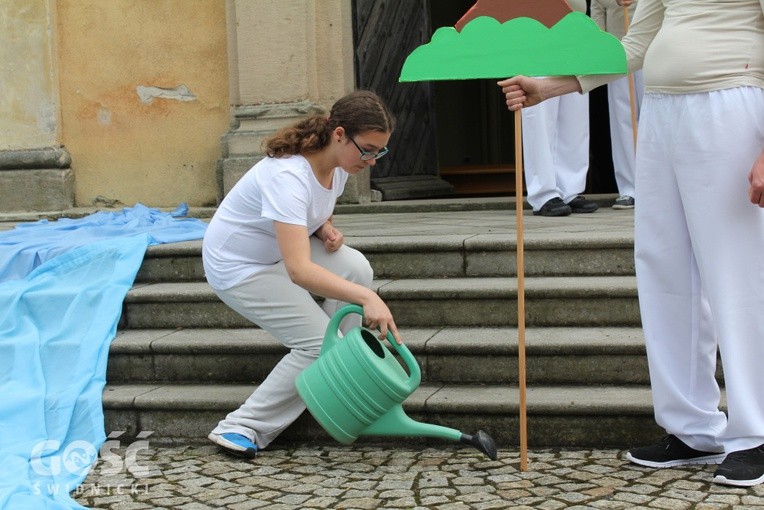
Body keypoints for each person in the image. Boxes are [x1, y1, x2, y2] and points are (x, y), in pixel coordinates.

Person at [499, 0, 764, 487]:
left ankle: (756, 433)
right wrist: (551, 86)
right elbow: (633, 46)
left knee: (738, 276)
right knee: (663, 269)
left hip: (731, 103)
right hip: (663, 113)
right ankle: (692, 428)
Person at [201, 90, 400, 459]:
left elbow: (314, 207)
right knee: (317, 344)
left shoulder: (339, 167)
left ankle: (343, 366)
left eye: (379, 151)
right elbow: (299, 270)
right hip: (237, 265)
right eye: (368, 149)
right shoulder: (287, 176)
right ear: (339, 134)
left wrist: (323, 227)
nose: (372, 161)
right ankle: (241, 426)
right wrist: (369, 298)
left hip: (273, 252)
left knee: (356, 267)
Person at [521, 0, 599, 217]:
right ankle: (543, 193)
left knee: (575, 111)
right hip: (536, 24)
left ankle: (570, 189)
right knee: (540, 113)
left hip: (574, 25)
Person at [591, 0, 644, 209]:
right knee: (622, 120)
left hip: (649, 49)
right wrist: (599, 49)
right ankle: (629, 188)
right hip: (617, 52)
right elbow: (597, 12)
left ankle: (653, 186)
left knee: (652, 116)